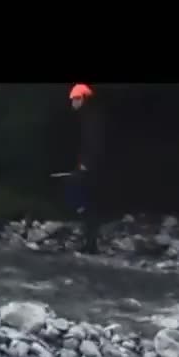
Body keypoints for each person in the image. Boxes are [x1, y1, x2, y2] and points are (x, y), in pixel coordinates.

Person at [68, 83, 106, 254]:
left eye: (75, 99)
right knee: (87, 203)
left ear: (83, 99)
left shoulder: (92, 119)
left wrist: (85, 164)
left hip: (91, 168)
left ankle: (90, 244)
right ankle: (90, 242)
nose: (73, 103)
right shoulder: (89, 117)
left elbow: (94, 143)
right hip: (90, 166)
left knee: (87, 202)